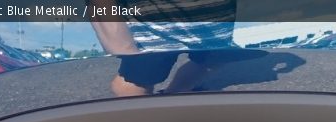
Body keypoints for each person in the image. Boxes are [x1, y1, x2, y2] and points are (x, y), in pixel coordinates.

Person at [89, 0, 238, 96]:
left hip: (217, 21)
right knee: (137, 80)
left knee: (211, 62)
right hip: (153, 24)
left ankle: (176, 92)